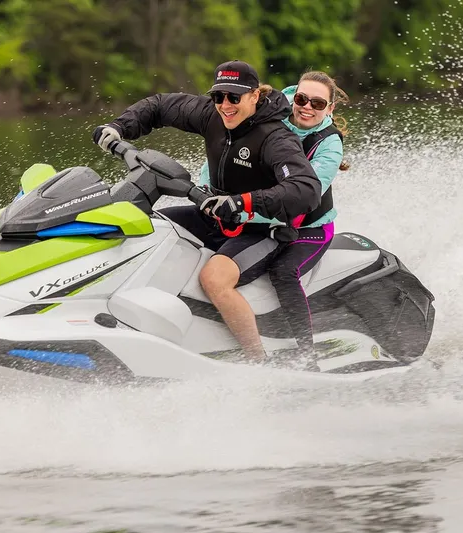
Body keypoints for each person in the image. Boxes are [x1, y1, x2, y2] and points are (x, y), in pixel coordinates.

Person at [92, 60, 322, 362]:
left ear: (254, 96)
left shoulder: (276, 139)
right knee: (146, 229)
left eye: (234, 97)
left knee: (213, 278)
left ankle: (258, 362)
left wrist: (243, 201)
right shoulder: (212, 115)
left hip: (260, 229)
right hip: (213, 216)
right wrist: (118, 127)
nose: (225, 105)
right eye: (218, 96)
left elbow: (306, 189)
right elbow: (161, 106)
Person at [195, 70, 350, 366]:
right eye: (302, 99)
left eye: (317, 104)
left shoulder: (329, 145)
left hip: (308, 228)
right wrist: (208, 191)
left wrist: (239, 209)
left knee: (284, 272)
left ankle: (307, 354)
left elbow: (300, 197)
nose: (306, 107)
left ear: (329, 108)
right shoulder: (271, 113)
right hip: (257, 218)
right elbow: (222, 153)